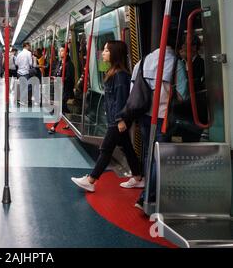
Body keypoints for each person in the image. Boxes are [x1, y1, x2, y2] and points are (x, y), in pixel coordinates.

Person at [71, 41, 143, 192]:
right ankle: (138, 177)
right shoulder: (112, 72)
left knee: (106, 149)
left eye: (106, 51)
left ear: (115, 54)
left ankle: (91, 180)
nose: (102, 53)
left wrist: (121, 119)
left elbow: (121, 100)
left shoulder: (121, 76)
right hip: (115, 119)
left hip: (117, 120)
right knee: (127, 148)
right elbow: (101, 67)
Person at [125, 40, 189, 210]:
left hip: (145, 115)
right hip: (163, 117)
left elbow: (133, 90)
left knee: (148, 153)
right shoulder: (177, 63)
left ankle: (148, 190)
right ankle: (148, 196)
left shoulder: (144, 60)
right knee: (159, 156)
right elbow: (184, 95)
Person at [48, 46, 74, 134]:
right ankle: (71, 121)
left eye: (62, 50)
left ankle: (54, 127)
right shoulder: (59, 63)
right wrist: (55, 77)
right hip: (59, 88)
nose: (60, 52)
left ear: (66, 53)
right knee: (64, 107)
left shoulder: (69, 64)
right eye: (59, 51)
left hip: (66, 89)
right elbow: (56, 73)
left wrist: (59, 79)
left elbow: (70, 78)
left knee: (60, 107)